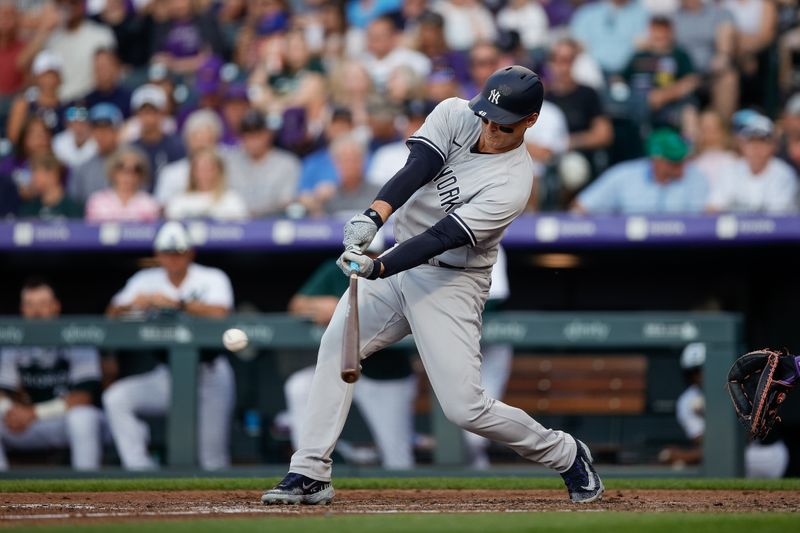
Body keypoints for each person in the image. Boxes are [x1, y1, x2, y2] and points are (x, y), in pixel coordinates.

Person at [261, 65, 604, 505]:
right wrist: (373, 216)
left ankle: (566, 453)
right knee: (336, 347)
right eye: (486, 117)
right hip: (400, 254)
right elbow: (418, 166)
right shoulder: (455, 112)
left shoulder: (514, 182)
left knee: (464, 407)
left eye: (503, 125)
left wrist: (378, 267)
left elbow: (442, 237)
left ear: (530, 122)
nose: (490, 129)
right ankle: (309, 472)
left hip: (452, 280)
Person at [103, 221, 236, 470]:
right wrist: (132, 305)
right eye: (167, 252)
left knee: (213, 459)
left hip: (211, 373)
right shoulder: (145, 279)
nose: (173, 258)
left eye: (179, 252)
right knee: (116, 398)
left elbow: (221, 313)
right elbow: (111, 313)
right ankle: (140, 469)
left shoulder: (211, 277)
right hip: (168, 374)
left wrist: (176, 303)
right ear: (158, 254)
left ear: (190, 252)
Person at [283, 235, 418, 470]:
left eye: (373, 255)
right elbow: (297, 305)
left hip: (386, 373)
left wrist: (339, 307)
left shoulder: (396, 269)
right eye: (362, 255)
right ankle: (306, 467)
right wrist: (322, 305)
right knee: (299, 386)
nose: (366, 261)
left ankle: (403, 500)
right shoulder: (337, 268)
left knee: (397, 458)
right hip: (340, 367)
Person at [0, 278, 104, 471]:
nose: (37, 312)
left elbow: (83, 397)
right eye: (30, 305)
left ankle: (88, 485)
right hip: (26, 424)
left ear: (56, 307)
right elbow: (2, 392)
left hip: (63, 421)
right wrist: (11, 411)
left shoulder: (77, 335)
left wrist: (33, 413)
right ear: (22, 309)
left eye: (43, 304)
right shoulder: (12, 340)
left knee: (83, 417)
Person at [659, 343, 789, 478]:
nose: (700, 376)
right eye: (694, 372)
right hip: (735, 455)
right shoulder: (687, 401)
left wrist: (685, 456)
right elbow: (705, 444)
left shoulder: (740, 386)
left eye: (705, 369)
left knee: (714, 463)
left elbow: (744, 438)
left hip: (766, 453)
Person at [572, 128, 708, 215]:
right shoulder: (624, 175)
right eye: (674, 162)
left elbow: (706, 221)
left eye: (683, 161)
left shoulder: (695, 177)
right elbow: (580, 207)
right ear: (656, 160)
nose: (682, 166)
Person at [706, 113, 799, 214]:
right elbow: (712, 210)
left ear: (773, 145)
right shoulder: (728, 171)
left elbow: (779, 220)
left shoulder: (784, 174)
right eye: (751, 141)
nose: (756, 147)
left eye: (762, 141)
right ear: (742, 145)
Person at [224, 109, 301, 218]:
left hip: (272, 223)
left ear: (268, 134)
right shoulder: (230, 162)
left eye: (257, 134)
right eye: (248, 135)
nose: (252, 140)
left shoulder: (287, 163)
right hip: (235, 223)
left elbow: (287, 202)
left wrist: (257, 215)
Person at [164, 148, 249, 221]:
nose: (204, 173)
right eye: (199, 169)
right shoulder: (179, 201)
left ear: (219, 171)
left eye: (209, 169)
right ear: (192, 172)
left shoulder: (232, 200)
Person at [84, 145, 160, 223]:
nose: (129, 175)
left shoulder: (149, 204)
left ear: (141, 175)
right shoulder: (97, 202)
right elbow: (91, 232)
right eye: (122, 168)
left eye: (136, 170)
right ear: (113, 171)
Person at [130, 84, 186, 187]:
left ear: (162, 113)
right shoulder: (130, 149)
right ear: (137, 115)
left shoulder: (176, 146)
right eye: (144, 112)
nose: (148, 118)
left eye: (153, 112)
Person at [67, 103, 124, 205]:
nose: (101, 134)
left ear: (117, 131)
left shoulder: (133, 163)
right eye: (97, 129)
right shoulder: (83, 168)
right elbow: (77, 203)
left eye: (107, 128)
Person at [19, 153, 83, 219]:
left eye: (35, 172)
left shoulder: (74, 209)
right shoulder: (29, 210)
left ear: (52, 175)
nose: (32, 178)